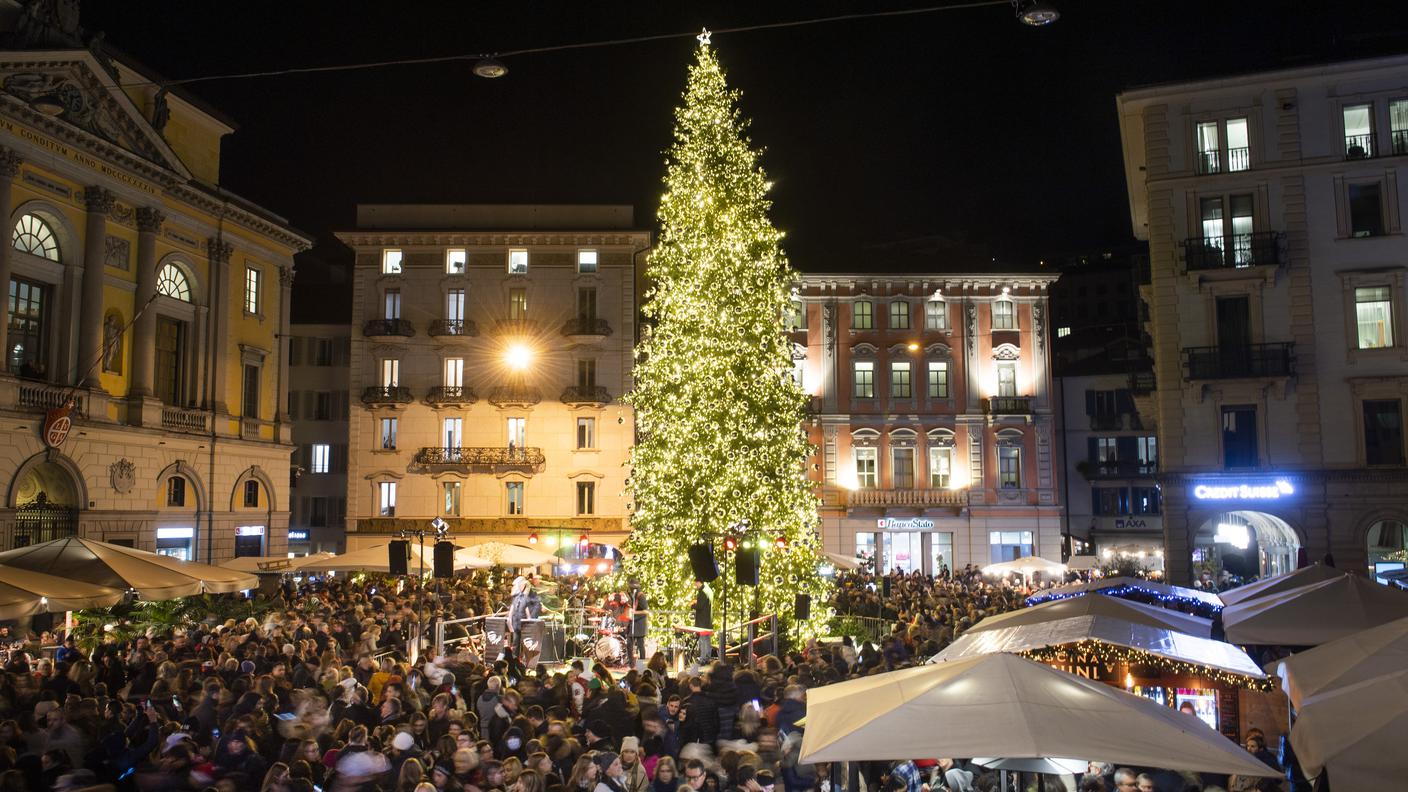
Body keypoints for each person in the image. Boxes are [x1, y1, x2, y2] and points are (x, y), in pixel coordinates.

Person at [628, 581, 649, 668]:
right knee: (629, 643)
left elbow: (646, 611)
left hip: (640, 623)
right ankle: (631, 664)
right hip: (634, 623)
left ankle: (642, 664)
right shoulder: (633, 595)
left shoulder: (641, 596)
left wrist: (635, 612)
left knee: (640, 645)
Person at [692, 582, 713, 663]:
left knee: (703, 640)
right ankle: (707, 657)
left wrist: (693, 605)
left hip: (702, 622)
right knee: (707, 640)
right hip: (708, 621)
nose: (695, 585)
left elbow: (700, 606)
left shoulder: (703, 592)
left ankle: (703, 658)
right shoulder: (709, 591)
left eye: (695, 583)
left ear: (698, 582)